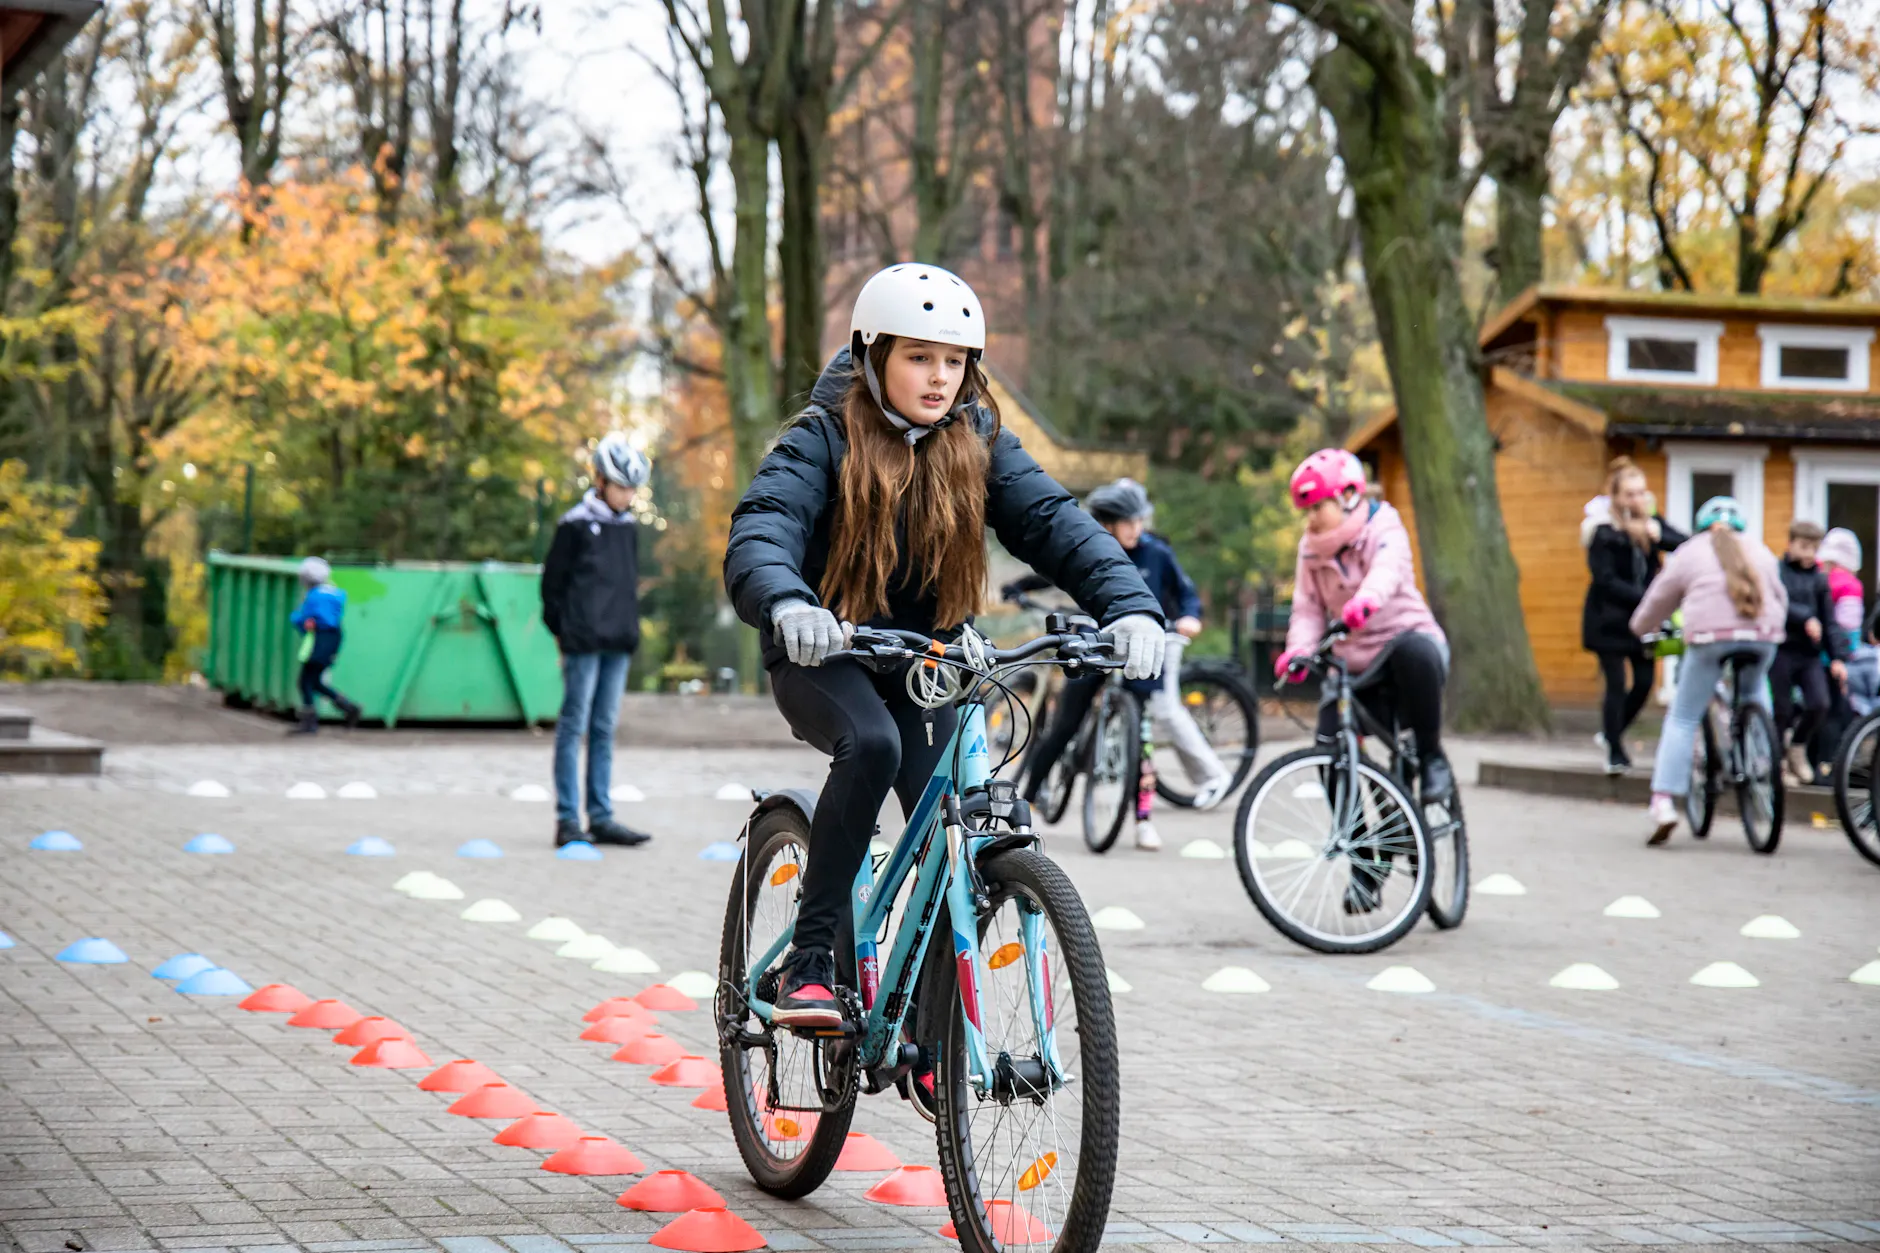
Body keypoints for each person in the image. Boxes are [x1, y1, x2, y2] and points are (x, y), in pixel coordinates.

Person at [723, 262, 1166, 1029]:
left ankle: (934, 1032)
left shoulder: (979, 439)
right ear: (873, 355)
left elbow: (1056, 524)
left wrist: (1130, 606)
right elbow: (765, 525)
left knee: (956, 812)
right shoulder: (820, 438)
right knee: (872, 744)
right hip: (824, 649)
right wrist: (788, 601)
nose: (939, 377)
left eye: (954, 360)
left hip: (925, 657)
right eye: (919, 356)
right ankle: (811, 960)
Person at [1005, 479, 1235, 848]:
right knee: (1065, 724)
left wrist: (1190, 617)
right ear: (1106, 524)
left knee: (1141, 741)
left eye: (1139, 520)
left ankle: (1143, 821)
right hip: (1097, 643)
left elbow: (1186, 594)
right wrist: (1022, 587)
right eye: (1127, 522)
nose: (1135, 528)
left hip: (1141, 649)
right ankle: (1027, 799)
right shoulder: (1093, 548)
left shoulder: (1157, 553)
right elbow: (1055, 567)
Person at [1274, 449, 1454, 809]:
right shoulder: (1310, 551)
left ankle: (1431, 757)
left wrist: (1366, 601)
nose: (1311, 518)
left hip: (1405, 653)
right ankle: (1355, 838)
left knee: (1415, 650)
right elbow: (1308, 609)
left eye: (1318, 507)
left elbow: (1387, 569)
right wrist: (1298, 651)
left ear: (1347, 496)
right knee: (1328, 747)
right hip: (1355, 666)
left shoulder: (1384, 525)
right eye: (1306, 510)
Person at [1629, 496, 1786, 845]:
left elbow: (1658, 599)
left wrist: (1639, 628)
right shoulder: (1760, 550)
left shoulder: (1690, 551)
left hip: (1709, 638)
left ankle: (1663, 803)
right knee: (1754, 690)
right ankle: (1763, 761)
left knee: (1684, 716)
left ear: (1701, 527)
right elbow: (1781, 598)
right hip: (1763, 636)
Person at [541, 433, 654, 849]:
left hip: (617, 643)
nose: (628, 495)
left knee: (604, 728)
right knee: (574, 726)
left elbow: (626, 585)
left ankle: (602, 817)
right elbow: (552, 589)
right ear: (601, 481)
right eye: (622, 486)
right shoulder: (573, 525)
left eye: (632, 489)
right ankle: (568, 819)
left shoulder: (627, 528)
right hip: (583, 643)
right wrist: (564, 633)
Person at [1581, 456, 1686, 774]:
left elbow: (1685, 544)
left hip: (1646, 622)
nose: (1636, 500)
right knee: (1615, 683)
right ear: (1615, 496)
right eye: (1629, 494)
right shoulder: (1602, 531)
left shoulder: (1653, 523)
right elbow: (1605, 579)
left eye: (1641, 493)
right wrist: (1650, 598)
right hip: (1609, 620)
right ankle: (1615, 751)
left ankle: (1611, 732)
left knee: (1643, 684)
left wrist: (1658, 534)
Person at [1771, 520, 1847, 785]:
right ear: (1790, 544)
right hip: (1782, 649)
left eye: (1814, 548)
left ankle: (1797, 747)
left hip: (1809, 654)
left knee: (1819, 703)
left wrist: (1837, 658)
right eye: (1803, 547)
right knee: (1781, 709)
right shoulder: (1778, 573)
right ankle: (1778, 763)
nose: (1808, 554)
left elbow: (1829, 621)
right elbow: (1777, 604)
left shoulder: (1819, 579)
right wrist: (1804, 618)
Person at [288, 556, 361, 735]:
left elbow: (303, 619)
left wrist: (296, 619)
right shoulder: (335, 593)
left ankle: (310, 722)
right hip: (334, 637)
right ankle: (348, 707)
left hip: (320, 639)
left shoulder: (314, 596)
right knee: (314, 681)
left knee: (305, 681)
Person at [1820, 528, 1877, 718]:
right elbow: (1849, 627)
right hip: (1840, 658)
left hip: (1815, 655)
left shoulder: (1818, 579)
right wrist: (1846, 655)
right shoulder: (1850, 586)